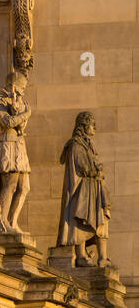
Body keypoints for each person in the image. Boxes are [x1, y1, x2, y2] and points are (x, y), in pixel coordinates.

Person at [58, 111, 110, 266]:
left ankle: (103, 258)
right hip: (83, 191)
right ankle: (80, 256)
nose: (95, 128)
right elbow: (83, 167)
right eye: (92, 124)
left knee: (102, 222)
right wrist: (96, 170)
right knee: (81, 222)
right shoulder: (76, 144)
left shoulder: (89, 145)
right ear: (83, 125)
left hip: (95, 189)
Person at [0, 71, 31, 231]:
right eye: (22, 87)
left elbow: (20, 126)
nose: (23, 91)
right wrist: (26, 113)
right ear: (13, 85)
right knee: (10, 184)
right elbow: (7, 122)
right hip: (7, 144)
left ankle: (13, 222)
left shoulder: (18, 102)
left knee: (24, 187)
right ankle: (3, 220)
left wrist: (20, 110)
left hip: (19, 145)